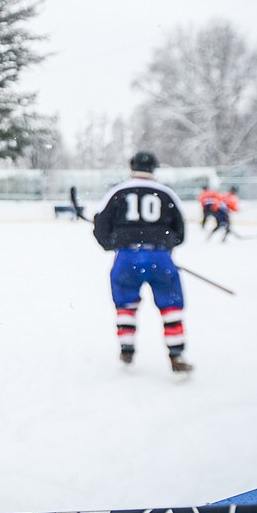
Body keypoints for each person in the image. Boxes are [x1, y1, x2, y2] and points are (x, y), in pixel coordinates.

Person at [92, 151, 193, 374]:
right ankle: (177, 355)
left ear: (131, 166)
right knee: (170, 305)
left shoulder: (116, 192)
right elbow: (181, 231)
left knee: (126, 304)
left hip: (126, 258)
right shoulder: (166, 193)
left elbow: (101, 228)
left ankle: (127, 349)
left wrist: (113, 243)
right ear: (154, 168)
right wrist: (163, 246)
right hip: (160, 257)